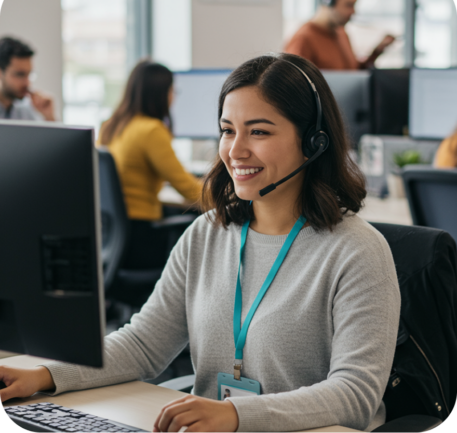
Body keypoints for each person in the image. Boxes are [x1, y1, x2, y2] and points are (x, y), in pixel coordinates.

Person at [0, 54, 401, 433]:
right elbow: (143, 345)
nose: (235, 150)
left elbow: (355, 394)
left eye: (258, 131)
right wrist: (47, 375)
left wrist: (234, 415)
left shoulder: (357, 251)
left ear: (314, 141)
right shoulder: (208, 233)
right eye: (228, 130)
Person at [97, 59, 202, 270]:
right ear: (161, 93)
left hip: (113, 239)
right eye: (172, 90)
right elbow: (190, 191)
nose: (173, 97)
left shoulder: (111, 126)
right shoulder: (151, 130)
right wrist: (233, 197)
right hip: (142, 240)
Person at [284, 0, 395, 70]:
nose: (353, 11)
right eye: (348, 5)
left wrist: (376, 52)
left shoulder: (341, 33)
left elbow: (352, 73)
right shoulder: (303, 39)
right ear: (328, 1)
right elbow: (294, 88)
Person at [0, 36, 56, 121]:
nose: (27, 83)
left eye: (29, 74)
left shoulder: (26, 112)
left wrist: (49, 117)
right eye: (20, 74)